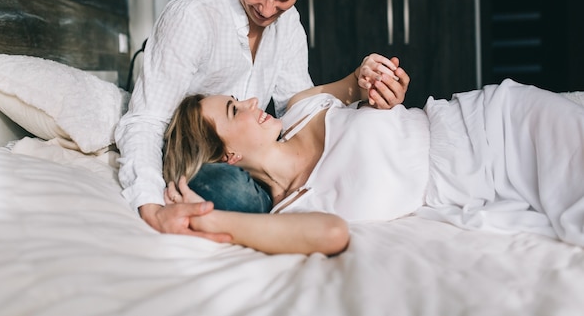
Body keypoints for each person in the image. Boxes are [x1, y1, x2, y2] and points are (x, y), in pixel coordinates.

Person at [114, 0, 410, 237]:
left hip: (252, 162)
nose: (268, 10)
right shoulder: (193, 18)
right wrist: (152, 209)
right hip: (204, 159)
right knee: (225, 190)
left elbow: (297, 111)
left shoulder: (289, 24)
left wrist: (363, 91)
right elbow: (146, 120)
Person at [162, 53, 584, 256]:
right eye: (235, 109)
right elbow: (332, 235)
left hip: (491, 121)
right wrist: (208, 218)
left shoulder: (301, 107)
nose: (253, 101)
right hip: (473, 187)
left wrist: (375, 77)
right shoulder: (291, 211)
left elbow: (360, 81)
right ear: (227, 156)